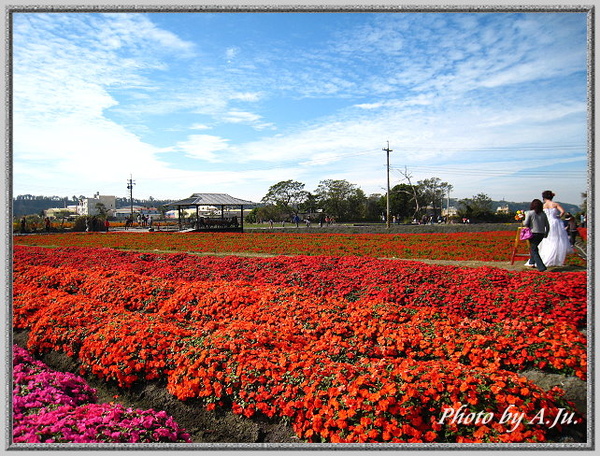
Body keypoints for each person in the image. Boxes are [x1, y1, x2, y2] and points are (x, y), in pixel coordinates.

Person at [538, 190, 571, 266]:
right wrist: (559, 216)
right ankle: (555, 258)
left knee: (547, 239)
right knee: (557, 240)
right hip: (555, 222)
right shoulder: (555, 204)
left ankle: (545, 257)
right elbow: (563, 211)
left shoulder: (543, 206)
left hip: (547, 223)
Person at [523, 199, 550, 272]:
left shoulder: (530, 213)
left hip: (533, 233)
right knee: (534, 247)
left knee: (534, 249)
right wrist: (546, 233)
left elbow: (525, 224)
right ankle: (532, 262)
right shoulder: (543, 214)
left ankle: (541, 266)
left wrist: (523, 220)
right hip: (541, 234)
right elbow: (547, 225)